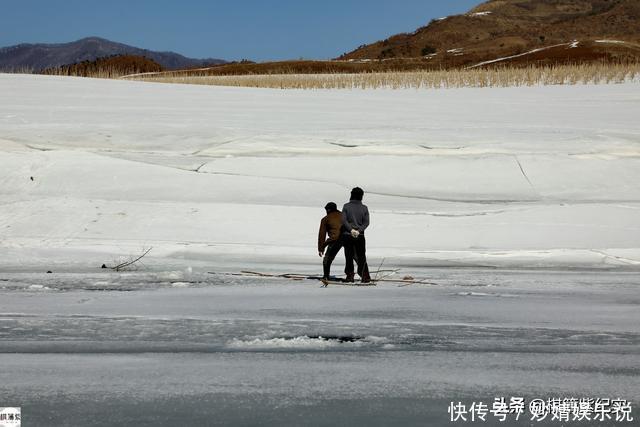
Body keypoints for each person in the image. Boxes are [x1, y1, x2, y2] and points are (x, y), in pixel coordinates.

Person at [342, 187, 371, 283]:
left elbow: (344, 221)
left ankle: (350, 276)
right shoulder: (364, 208)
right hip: (360, 235)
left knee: (349, 256)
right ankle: (365, 276)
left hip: (348, 235)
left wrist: (351, 230)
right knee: (362, 256)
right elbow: (366, 223)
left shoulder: (346, 206)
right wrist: (359, 231)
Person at [318, 202, 345, 282]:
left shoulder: (325, 219)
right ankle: (364, 275)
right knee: (355, 257)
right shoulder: (344, 215)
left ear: (328, 210)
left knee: (327, 259)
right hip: (347, 238)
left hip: (335, 240)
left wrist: (321, 248)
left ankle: (326, 276)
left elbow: (322, 235)